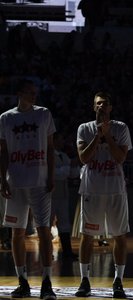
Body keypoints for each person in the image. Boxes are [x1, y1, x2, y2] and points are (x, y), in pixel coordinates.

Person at [0, 79, 57, 299]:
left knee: (43, 231)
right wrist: (2, 179)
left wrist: (51, 176)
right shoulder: (6, 118)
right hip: (15, 181)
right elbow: (3, 151)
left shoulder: (44, 114)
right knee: (17, 232)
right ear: (19, 93)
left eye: (35, 93)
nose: (34, 96)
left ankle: (46, 282)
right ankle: (22, 281)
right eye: (30, 93)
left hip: (40, 181)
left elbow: (51, 148)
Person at [75, 92, 132, 298]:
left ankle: (118, 281)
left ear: (110, 107)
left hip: (115, 188)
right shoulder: (84, 128)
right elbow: (83, 158)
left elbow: (120, 158)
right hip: (92, 188)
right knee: (87, 236)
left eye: (105, 104)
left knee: (120, 236)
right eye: (98, 104)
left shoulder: (121, 128)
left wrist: (108, 135)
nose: (101, 106)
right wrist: (98, 136)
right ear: (93, 107)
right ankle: (84, 280)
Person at [51, 132, 78, 260]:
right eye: (61, 139)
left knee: (65, 224)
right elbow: (56, 174)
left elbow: (73, 174)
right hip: (49, 195)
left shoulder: (64, 155)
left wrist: (75, 165)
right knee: (47, 223)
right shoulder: (47, 155)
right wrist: (69, 167)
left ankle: (67, 252)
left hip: (62, 194)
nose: (63, 142)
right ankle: (47, 252)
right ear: (54, 140)